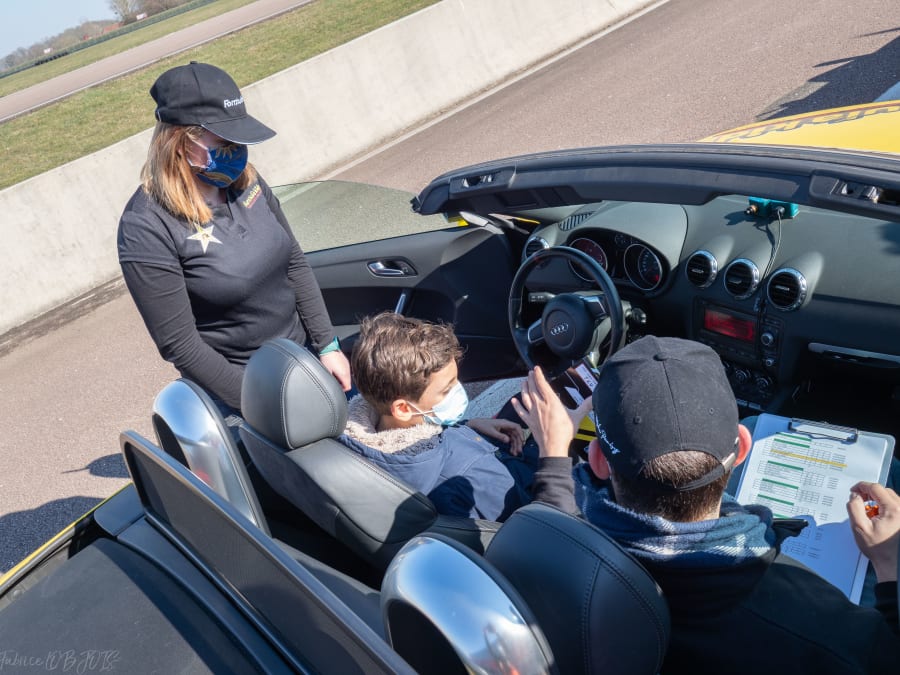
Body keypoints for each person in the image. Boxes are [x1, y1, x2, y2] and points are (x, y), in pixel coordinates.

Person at [513, 335, 900, 673]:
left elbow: (557, 527)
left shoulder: (552, 557)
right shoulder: (825, 631)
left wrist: (553, 455)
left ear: (597, 460)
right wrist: (890, 564)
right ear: (743, 447)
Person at [117, 62, 350, 418]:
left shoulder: (246, 180)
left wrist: (327, 345)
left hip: (304, 364)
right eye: (225, 142)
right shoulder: (145, 227)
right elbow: (181, 345)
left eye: (239, 139)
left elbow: (293, 262)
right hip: (241, 391)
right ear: (180, 141)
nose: (237, 150)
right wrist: (262, 404)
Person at [339, 312, 540, 521]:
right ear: (403, 409)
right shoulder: (470, 475)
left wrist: (467, 427)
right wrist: (553, 452)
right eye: (446, 390)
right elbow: (541, 522)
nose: (458, 390)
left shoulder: (357, 441)